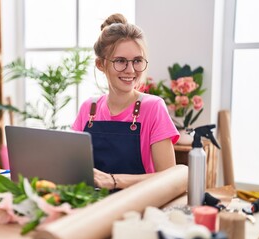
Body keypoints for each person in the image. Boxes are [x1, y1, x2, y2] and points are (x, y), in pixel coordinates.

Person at [71, 13, 179, 190]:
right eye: (120, 61)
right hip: (92, 205)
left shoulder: (153, 107)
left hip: (138, 206)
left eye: (137, 61)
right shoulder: (88, 108)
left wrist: (113, 180)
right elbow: (72, 168)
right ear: (100, 64)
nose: (130, 70)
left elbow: (169, 179)